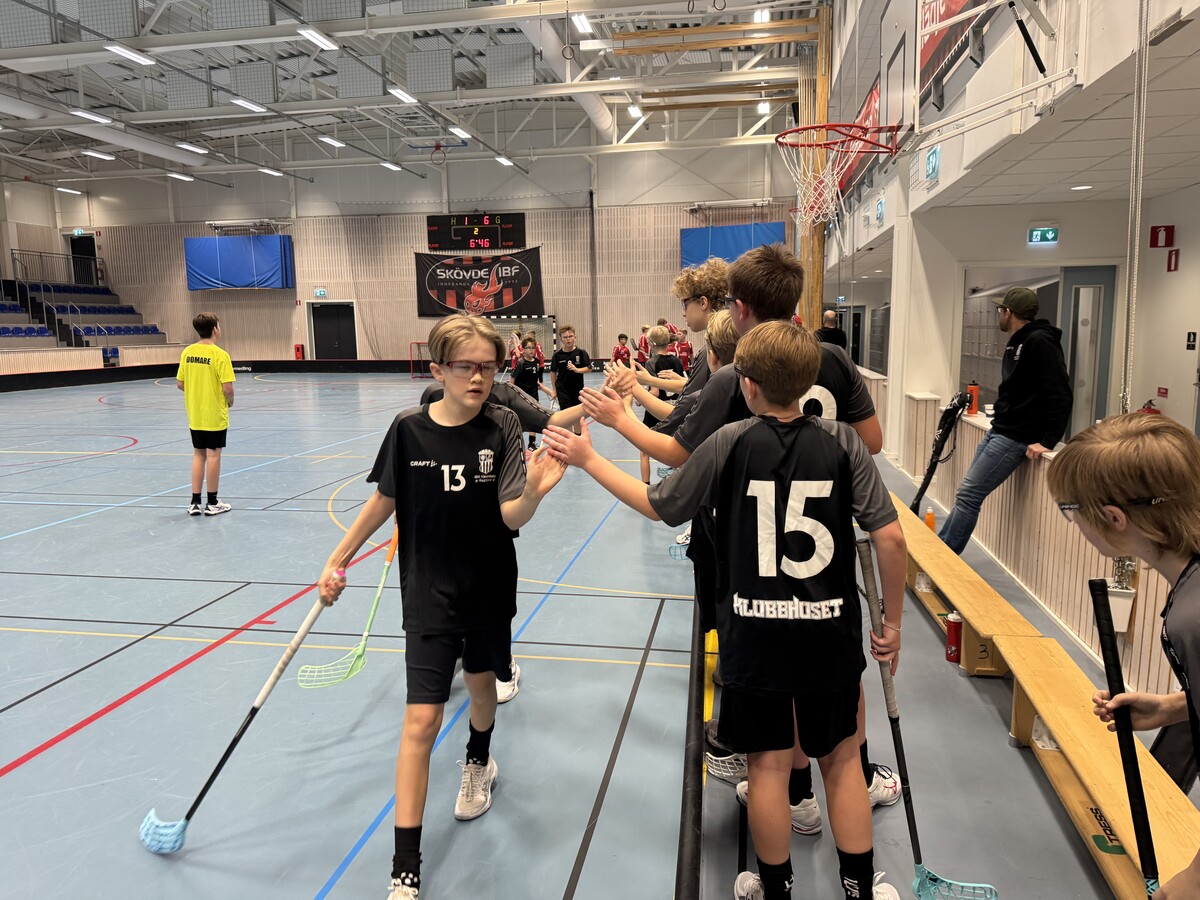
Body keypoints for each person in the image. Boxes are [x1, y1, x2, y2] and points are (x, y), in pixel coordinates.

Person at [542, 321, 906, 900]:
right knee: (842, 762)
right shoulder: (844, 441)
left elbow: (658, 506)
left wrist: (589, 459)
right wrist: (892, 624)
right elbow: (890, 538)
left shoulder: (729, 440)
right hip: (828, 635)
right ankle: (859, 889)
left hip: (754, 636)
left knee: (767, 766)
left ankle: (775, 889)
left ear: (748, 385)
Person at [581, 244, 896, 815]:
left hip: (753, 556)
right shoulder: (834, 360)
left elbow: (677, 456)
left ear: (739, 307)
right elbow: (870, 442)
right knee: (836, 701)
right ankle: (853, 776)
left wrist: (620, 421)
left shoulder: (735, 378)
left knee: (772, 702)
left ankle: (792, 792)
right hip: (824, 553)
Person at [317, 315, 565, 900]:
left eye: (488, 367)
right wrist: (337, 559)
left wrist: (533, 492)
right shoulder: (408, 429)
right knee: (421, 721)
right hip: (428, 592)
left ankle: (479, 760)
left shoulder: (503, 426)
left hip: (487, 588)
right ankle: (405, 866)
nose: (478, 377)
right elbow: (384, 499)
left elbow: (509, 513)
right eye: (465, 366)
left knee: (481, 687)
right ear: (438, 370)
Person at [1048, 413, 1200, 900]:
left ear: (1115, 518)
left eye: (1070, 510)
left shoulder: (1193, 617)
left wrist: (1195, 878)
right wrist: (1174, 707)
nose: (1073, 523)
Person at [938, 286, 1072, 554]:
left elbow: (1060, 393)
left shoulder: (1040, 342)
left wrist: (1048, 440)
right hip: (1000, 430)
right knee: (965, 492)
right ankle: (940, 549)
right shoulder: (1017, 341)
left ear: (1008, 312)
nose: (999, 314)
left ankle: (944, 556)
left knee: (970, 494)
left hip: (1016, 436)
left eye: (1001, 310)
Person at [176, 312, 235, 516]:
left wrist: (196, 393)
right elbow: (227, 388)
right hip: (214, 414)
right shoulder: (220, 355)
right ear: (215, 329)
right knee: (214, 455)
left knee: (198, 454)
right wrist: (230, 401)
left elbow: (180, 383)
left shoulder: (187, 352)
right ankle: (212, 502)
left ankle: (194, 502)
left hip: (195, 414)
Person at [638, 325, 684, 483]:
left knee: (644, 451)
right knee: (678, 450)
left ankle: (645, 485)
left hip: (656, 410)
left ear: (651, 343)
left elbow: (655, 392)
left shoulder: (651, 363)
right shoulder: (677, 361)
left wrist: (639, 398)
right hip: (676, 409)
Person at [512, 338, 555, 450]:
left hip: (533, 396)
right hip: (521, 398)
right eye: (528, 348)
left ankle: (531, 444)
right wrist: (514, 395)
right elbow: (512, 381)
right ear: (523, 349)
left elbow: (537, 383)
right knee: (519, 421)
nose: (531, 350)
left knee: (533, 419)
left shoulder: (536, 362)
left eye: (533, 348)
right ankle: (515, 444)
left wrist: (549, 392)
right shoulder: (520, 363)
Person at [551, 324, 592, 431]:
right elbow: (553, 372)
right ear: (561, 339)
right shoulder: (557, 355)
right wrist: (554, 390)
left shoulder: (581, 352)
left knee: (578, 418)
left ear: (575, 337)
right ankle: (569, 438)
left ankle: (578, 437)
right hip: (562, 390)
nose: (568, 339)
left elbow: (589, 368)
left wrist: (577, 370)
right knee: (567, 418)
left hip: (577, 390)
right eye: (565, 337)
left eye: (570, 336)